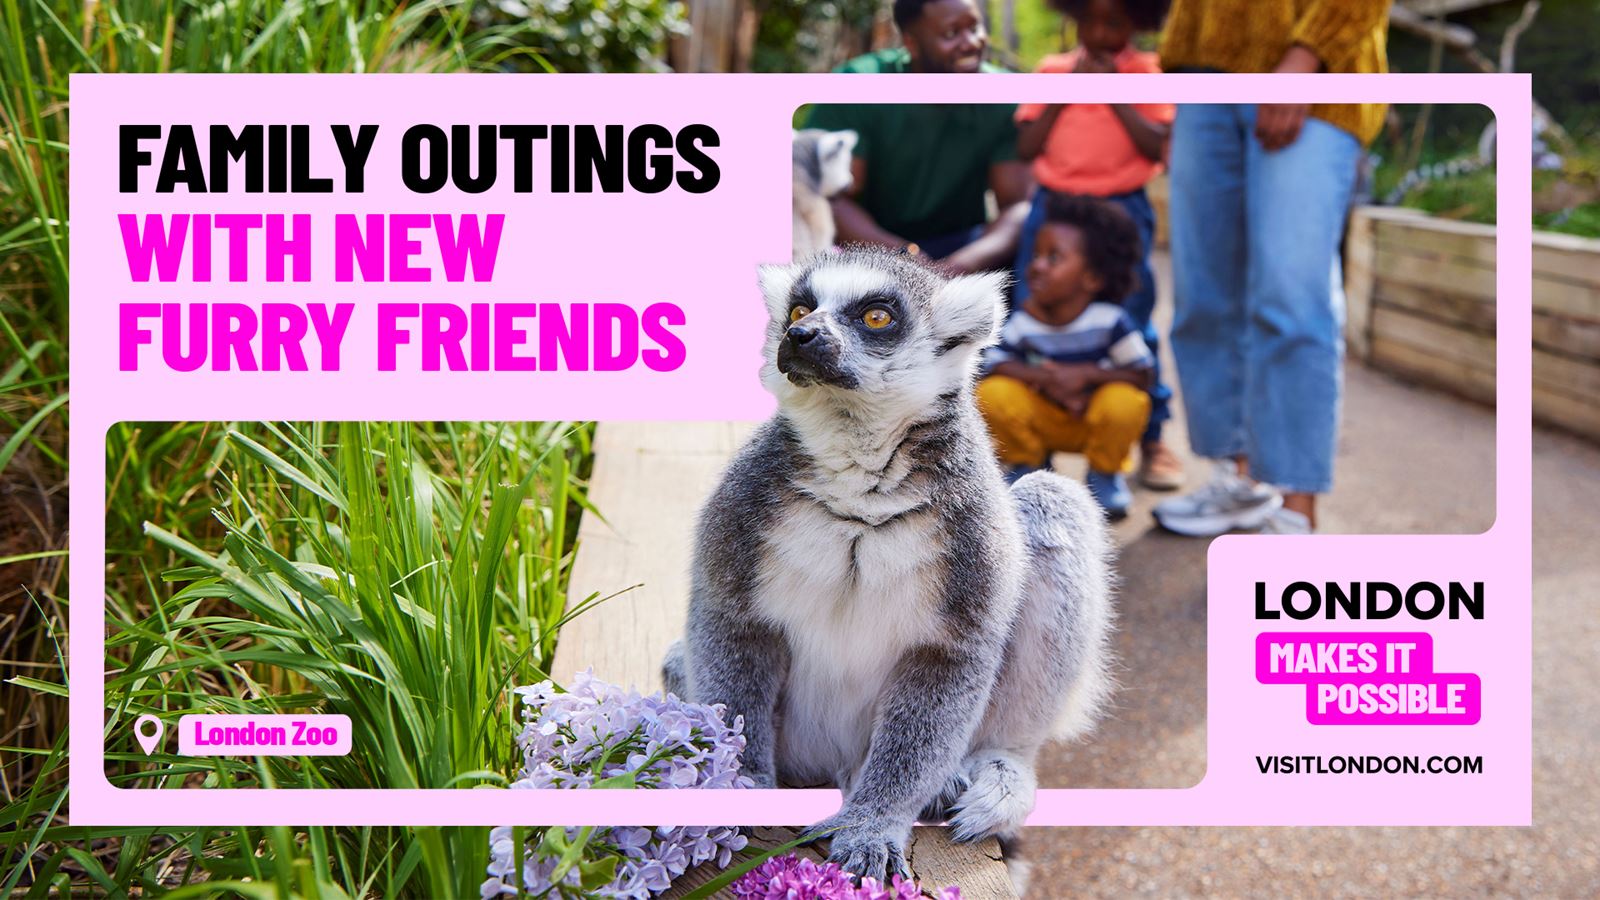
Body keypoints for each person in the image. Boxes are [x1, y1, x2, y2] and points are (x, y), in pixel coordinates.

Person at [1152, 0, 1391, 536]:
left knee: (1291, 299)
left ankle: (1294, 508)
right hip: (1206, 81)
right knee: (1203, 298)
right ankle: (1239, 482)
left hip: (1318, 69)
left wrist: (1306, 59)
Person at [1012, 0, 1182, 492]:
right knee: (1034, 310)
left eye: (1116, 20)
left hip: (1121, 208)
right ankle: (1031, 444)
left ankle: (1152, 437)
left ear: (1138, 22)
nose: (1101, 31)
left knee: (1133, 317)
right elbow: (1026, 147)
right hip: (1054, 207)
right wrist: (1068, 93)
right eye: (1091, 19)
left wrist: (1113, 94)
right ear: (1074, 16)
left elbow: (1156, 146)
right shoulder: (1052, 71)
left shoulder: (1147, 72)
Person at [802, 0, 1032, 273]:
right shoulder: (858, 85)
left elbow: (1018, 206)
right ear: (911, 43)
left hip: (962, 251)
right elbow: (826, 198)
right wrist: (907, 258)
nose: (972, 43)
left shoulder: (1002, 96)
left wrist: (954, 269)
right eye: (951, 33)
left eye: (975, 28)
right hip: (867, 249)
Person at [977, 194, 1154, 519]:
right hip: (1044, 420)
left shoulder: (1109, 321)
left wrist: (1087, 375)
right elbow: (992, 364)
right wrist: (1048, 379)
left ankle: (1104, 474)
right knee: (992, 394)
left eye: (1054, 257)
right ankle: (1028, 467)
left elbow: (1142, 374)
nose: (1037, 265)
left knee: (1125, 401)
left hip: (1092, 421)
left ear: (1092, 279)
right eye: (1036, 255)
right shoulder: (1023, 323)